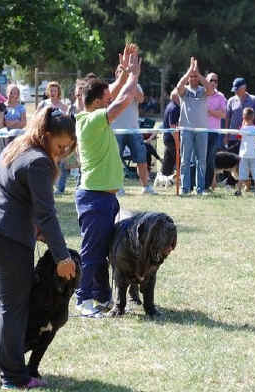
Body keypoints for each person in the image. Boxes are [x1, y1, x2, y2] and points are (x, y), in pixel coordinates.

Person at [0, 107, 77, 389]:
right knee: (12, 307)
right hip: (5, 238)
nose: (62, 152)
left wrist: (35, 230)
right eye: (59, 145)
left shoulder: (17, 146)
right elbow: (47, 214)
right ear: (46, 136)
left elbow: (12, 195)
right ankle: (13, 376)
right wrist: (62, 257)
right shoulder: (39, 162)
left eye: (68, 147)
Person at [74, 44, 141, 316]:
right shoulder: (92, 121)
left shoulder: (91, 116)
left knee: (102, 251)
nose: (109, 97)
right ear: (99, 101)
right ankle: (83, 300)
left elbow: (113, 91)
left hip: (104, 197)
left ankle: (102, 297)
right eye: (105, 97)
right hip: (95, 198)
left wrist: (124, 72)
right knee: (91, 252)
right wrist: (133, 76)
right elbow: (123, 100)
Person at [111, 64, 156, 195]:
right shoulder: (113, 87)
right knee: (116, 160)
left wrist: (133, 80)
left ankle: (146, 187)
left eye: (125, 71)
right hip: (116, 131)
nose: (123, 73)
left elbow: (141, 99)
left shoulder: (135, 85)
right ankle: (117, 187)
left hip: (134, 130)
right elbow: (111, 98)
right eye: (120, 71)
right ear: (116, 73)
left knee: (141, 159)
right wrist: (123, 82)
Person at [176, 57, 214, 196]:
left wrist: (198, 74)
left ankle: (200, 189)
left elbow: (211, 89)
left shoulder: (204, 91)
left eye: (195, 77)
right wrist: (189, 72)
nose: (192, 79)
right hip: (186, 130)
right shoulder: (184, 91)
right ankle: (185, 188)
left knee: (201, 160)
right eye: (191, 77)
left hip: (202, 130)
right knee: (185, 160)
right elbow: (178, 87)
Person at [225, 77, 255, 153]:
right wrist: (226, 135)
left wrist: (254, 130)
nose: (236, 92)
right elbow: (227, 118)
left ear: (244, 87)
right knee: (233, 161)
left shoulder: (253, 99)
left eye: (237, 89)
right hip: (233, 136)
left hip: (248, 137)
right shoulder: (231, 100)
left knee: (246, 160)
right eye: (235, 90)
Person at [205, 72, 226, 190]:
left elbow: (223, 114)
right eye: (211, 80)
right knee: (199, 159)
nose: (213, 83)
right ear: (206, 81)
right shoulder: (201, 94)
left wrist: (209, 112)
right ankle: (196, 184)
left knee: (210, 159)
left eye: (216, 81)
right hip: (200, 132)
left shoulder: (221, 96)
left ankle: (207, 186)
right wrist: (215, 112)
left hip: (213, 132)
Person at [235, 107, 255, 197]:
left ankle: (238, 190)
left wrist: (242, 126)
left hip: (244, 154)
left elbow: (238, 137)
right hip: (254, 155)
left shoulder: (242, 129)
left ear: (243, 117)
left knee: (242, 173)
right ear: (253, 117)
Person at [159, 88, 180, 178]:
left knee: (168, 159)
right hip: (172, 139)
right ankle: (180, 178)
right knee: (179, 158)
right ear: (176, 97)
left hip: (168, 138)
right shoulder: (174, 108)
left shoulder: (170, 106)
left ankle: (163, 175)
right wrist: (177, 142)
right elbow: (173, 127)